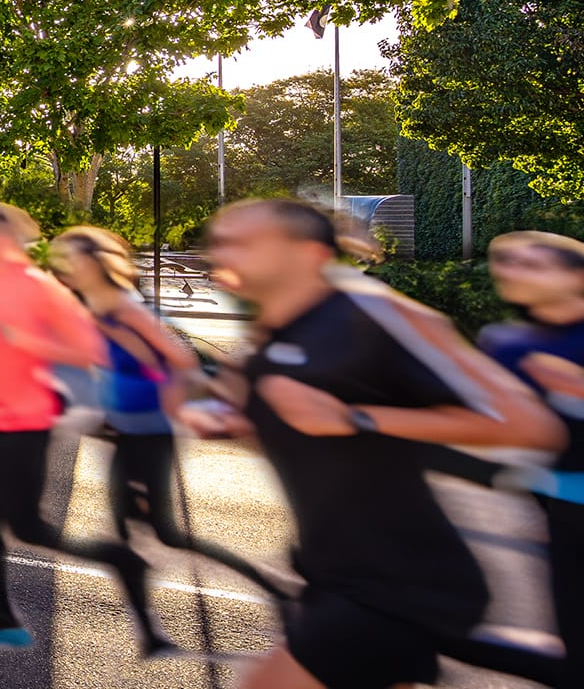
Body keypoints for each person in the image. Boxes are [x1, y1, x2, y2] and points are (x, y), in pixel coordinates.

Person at [185, 199, 565, 689]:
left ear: (308, 253)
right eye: (219, 239)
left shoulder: (374, 311)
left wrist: (356, 417)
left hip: (401, 583)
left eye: (241, 240)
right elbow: (308, 433)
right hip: (334, 573)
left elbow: (529, 425)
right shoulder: (270, 333)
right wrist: (240, 425)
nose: (220, 250)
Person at [0, 204, 172, 654]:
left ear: (0, 239)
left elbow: (88, 350)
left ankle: (125, 561)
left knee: (28, 528)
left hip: (25, 423)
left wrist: (21, 341)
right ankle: (2, 615)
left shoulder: (35, 286)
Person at [48, 225, 284, 599]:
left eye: (72, 259)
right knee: (125, 533)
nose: (65, 267)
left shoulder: (126, 309)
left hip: (150, 432)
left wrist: (167, 406)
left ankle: (272, 587)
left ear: (96, 263)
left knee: (164, 533)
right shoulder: (96, 309)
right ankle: (149, 631)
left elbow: (180, 360)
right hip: (125, 431)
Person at [471, 231, 584, 684]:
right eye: (506, 262)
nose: (510, 271)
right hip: (560, 511)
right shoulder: (505, 343)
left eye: (531, 264)